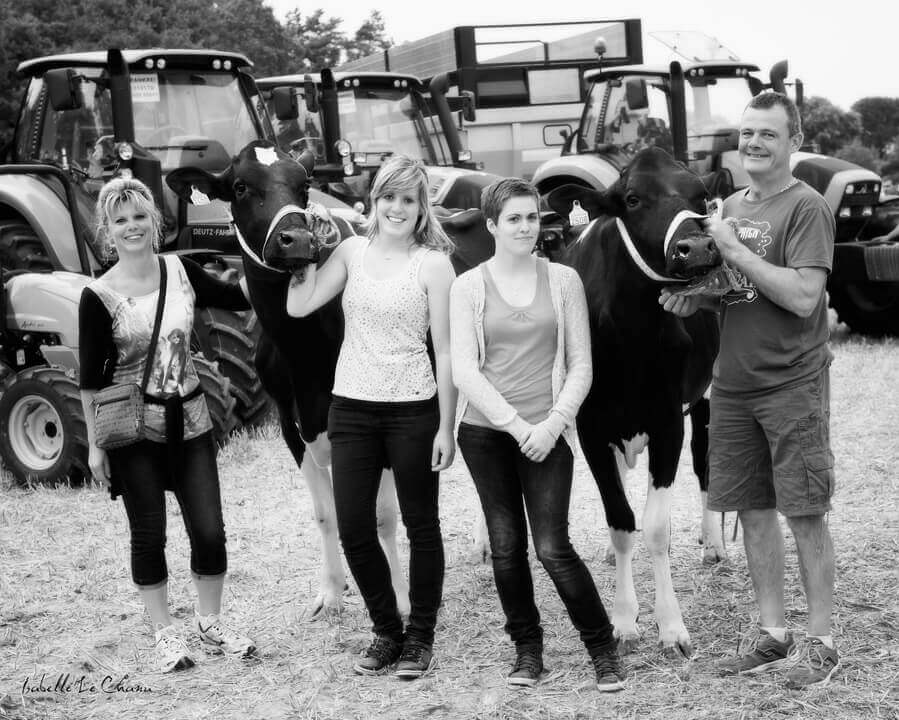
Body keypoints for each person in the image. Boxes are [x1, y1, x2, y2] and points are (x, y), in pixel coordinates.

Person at [660, 92, 839, 688]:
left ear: (792, 142)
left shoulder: (807, 208)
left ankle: (821, 640)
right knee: (753, 511)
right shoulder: (731, 205)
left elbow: (804, 296)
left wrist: (733, 245)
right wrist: (695, 296)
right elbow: (734, 288)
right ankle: (773, 634)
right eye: (747, 133)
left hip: (792, 383)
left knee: (804, 512)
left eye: (768, 133)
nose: (754, 143)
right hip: (731, 387)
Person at [450, 177, 626, 692]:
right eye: (514, 219)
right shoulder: (469, 286)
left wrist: (550, 426)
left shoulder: (563, 280)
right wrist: (515, 425)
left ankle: (601, 649)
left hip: (548, 434)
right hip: (485, 433)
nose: (525, 227)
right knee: (505, 547)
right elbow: (465, 370)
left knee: (553, 547)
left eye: (532, 218)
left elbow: (581, 366)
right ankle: (528, 652)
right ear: (491, 225)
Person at [285, 155, 457, 679]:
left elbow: (446, 351)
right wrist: (305, 256)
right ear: (374, 201)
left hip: (413, 409)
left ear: (421, 205)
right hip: (353, 408)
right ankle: (387, 631)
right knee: (355, 526)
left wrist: (447, 426)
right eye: (389, 196)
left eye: (408, 198)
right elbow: (299, 306)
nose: (397, 207)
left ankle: (420, 638)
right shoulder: (352, 252)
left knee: (420, 525)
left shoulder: (434, 264)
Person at [79, 177, 255, 673]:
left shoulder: (181, 270)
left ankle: (209, 621)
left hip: (192, 419)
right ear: (107, 231)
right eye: (120, 220)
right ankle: (163, 633)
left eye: (139, 216)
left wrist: (268, 259)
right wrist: (95, 447)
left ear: (154, 222)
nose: (131, 226)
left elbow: (236, 298)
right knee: (148, 534)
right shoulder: (98, 295)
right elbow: (90, 381)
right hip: (134, 431)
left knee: (210, 530)